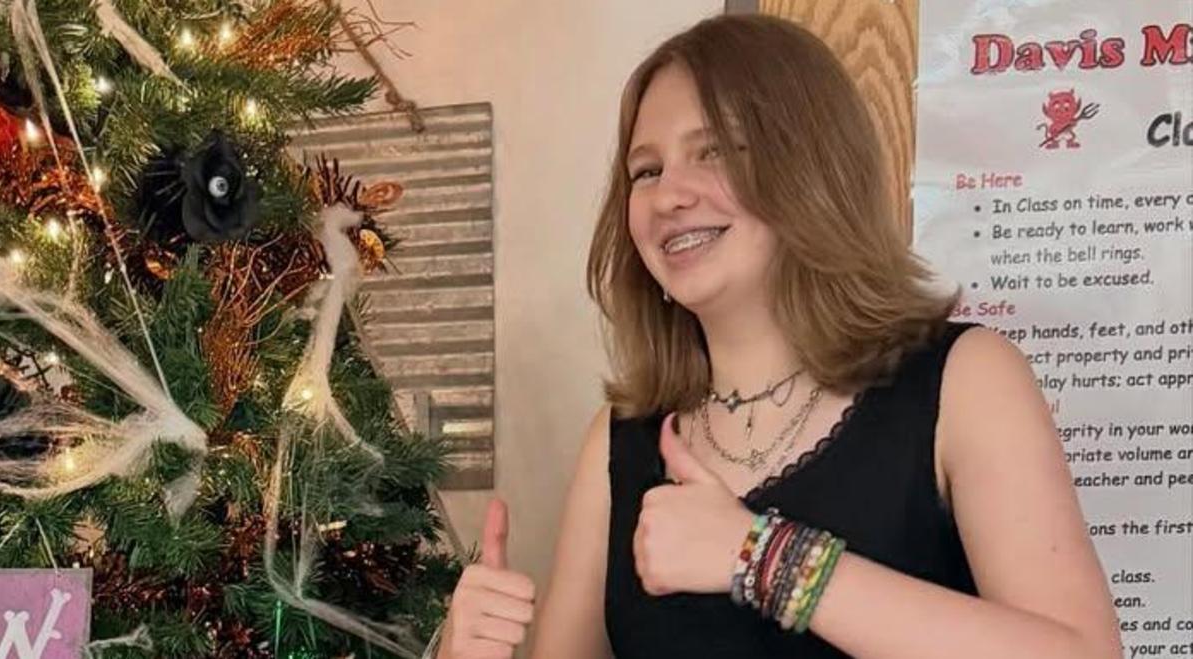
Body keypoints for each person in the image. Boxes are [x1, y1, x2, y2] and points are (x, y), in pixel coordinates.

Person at [435, 14, 1122, 659]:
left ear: (809, 167)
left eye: (713, 152)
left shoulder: (966, 379)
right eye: (646, 170)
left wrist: (763, 557)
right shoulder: (619, 437)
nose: (670, 193)